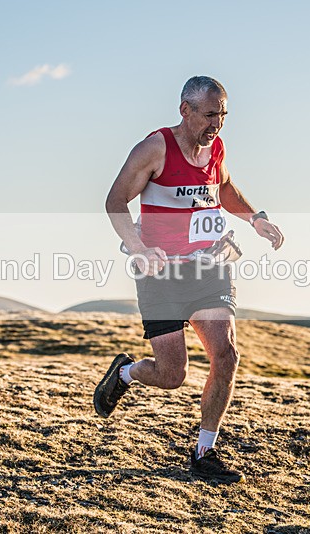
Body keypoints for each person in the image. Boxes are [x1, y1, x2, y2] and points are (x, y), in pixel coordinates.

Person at [95, 76, 284, 484]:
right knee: (172, 375)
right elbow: (114, 201)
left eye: (223, 115)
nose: (217, 123)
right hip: (159, 273)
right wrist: (139, 249)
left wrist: (255, 218)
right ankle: (126, 373)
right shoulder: (155, 149)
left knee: (226, 354)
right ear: (185, 110)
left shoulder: (216, 148)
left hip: (207, 268)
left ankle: (204, 451)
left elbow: (224, 187)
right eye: (210, 114)